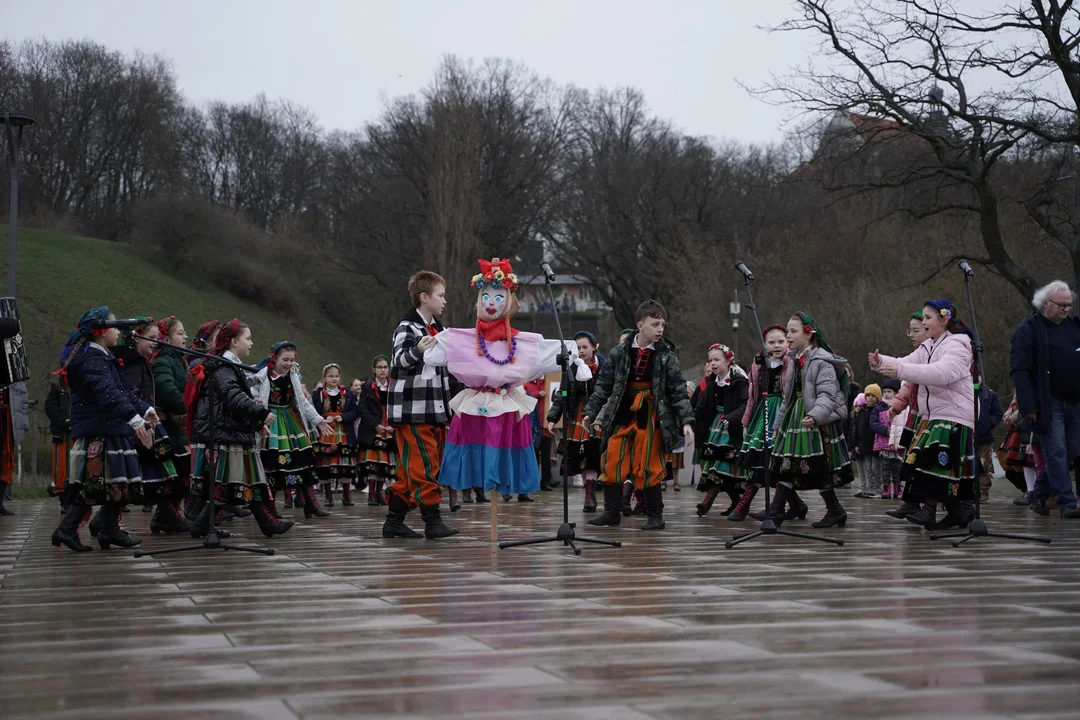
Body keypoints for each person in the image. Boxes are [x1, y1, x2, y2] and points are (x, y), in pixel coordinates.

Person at [424, 258, 587, 520]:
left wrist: (576, 358)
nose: (490, 302)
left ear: (509, 300)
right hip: (476, 405)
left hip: (506, 404)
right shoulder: (466, 338)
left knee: (504, 449)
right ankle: (474, 492)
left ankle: (505, 491)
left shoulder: (521, 342)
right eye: (486, 296)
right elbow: (441, 348)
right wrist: (429, 348)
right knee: (476, 449)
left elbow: (547, 348)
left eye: (498, 297)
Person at [51, 307, 158, 551]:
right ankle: (71, 529)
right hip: (99, 429)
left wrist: (145, 410)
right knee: (95, 485)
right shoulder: (92, 358)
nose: (118, 331)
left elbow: (121, 391)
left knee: (114, 484)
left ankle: (104, 529)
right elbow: (107, 394)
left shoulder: (101, 356)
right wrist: (135, 420)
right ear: (100, 331)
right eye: (113, 326)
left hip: (109, 428)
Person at [582, 299, 695, 530]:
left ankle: (655, 516)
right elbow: (603, 385)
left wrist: (686, 421)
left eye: (662, 324)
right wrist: (590, 413)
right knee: (613, 458)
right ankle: (612, 513)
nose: (660, 329)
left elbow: (677, 389)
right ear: (640, 325)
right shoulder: (620, 352)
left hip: (652, 413)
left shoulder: (666, 354)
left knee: (649, 464)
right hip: (623, 411)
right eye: (655, 324)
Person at [871, 299, 976, 529]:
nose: (924, 321)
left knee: (934, 464)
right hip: (935, 415)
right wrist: (881, 362)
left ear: (944, 319)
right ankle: (955, 511)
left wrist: (900, 370)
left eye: (928, 317)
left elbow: (942, 373)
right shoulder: (929, 346)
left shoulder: (957, 345)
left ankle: (933, 511)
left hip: (953, 414)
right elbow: (905, 363)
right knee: (928, 464)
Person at [187, 319, 293, 538]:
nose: (251, 343)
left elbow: (232, 404)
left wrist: (257, 424)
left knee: (235, 481)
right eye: (248, 338)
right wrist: (261, 413)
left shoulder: (226, 365)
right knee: (240, 480)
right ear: (234, 342)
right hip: (225, 433)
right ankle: (267, 524)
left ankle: (202, 524)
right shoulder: (224, 367)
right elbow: (234, 399)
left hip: (230, 430)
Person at [383, 270, 460, 539]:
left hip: (434, 409)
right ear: (424, 297)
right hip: (412, 411)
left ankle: (393, 522)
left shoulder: (437, 328)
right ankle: (432, 521)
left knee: (410, 469)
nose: (444, 301)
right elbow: (399, 362)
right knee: (424, 464)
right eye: (440, 295)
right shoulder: (407, 327)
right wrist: (419, 350)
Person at [768, 312, 854, 528]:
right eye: (788, 331)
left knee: (817, 466)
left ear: (809, 334)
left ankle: (780, 510)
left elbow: (828, 394)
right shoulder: (795, 360)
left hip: (814, 418)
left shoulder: (821, 361)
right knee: (790, 463)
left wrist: (816, 415)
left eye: (793, 331)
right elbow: (787, 398)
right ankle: (780, 509)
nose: (788, 336)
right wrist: (778, 425)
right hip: (795, 418)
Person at [1009, 280, 1080, 518]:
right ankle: (1066, 502)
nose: (1066, 310)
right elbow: (1020, 371)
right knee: (1056, 451)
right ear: (1046, 303)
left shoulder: (1074, 326)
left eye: (1069, 305)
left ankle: (1038, 492)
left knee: (1072, 449)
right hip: (1048, 401)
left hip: (1075, 400)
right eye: (1062, 306)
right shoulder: (1029, 329)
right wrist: (1029, 407)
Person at [251, 341, 332, 520]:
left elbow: (302, 402)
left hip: (290, 421)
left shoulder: (293, 376)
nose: (288, 364)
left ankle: (310, 503)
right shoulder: (262, 377)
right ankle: (270, 506)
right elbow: (255, 399)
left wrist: (318, 421)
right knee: (273, 465)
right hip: (271, 421)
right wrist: (260, 417)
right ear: (274, 358)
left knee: (303, 461)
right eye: (284, 360)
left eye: (291, 360)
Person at [733, 324, 800, 522]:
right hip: (762, 414)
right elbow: (752, 397)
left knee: (775, 461)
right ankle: (796, 505)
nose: (777, 346)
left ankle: (745, 506)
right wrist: (746, 423)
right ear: (765, 345)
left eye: (781, 341)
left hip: (783, 411)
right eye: (771, 342)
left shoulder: (791, 362)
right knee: (762, 460)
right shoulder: (758, 364)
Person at [547, 330, 605, 513]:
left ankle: (590, 493)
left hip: (598, 414)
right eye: (578, 347)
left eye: (585, 347)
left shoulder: (604, 365)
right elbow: (564, 393)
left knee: (594, 455)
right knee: (579, 456)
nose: (581, 351)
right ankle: (589, 492)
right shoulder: (571, 367)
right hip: (577, 414)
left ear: (594, 347)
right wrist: (552, 417)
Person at [884, 312, 931, 519]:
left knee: (925, 461)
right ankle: (911, 502)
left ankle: (932, 505)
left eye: (916, 330)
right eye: (909, 330)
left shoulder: (937, 354)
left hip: (929, 415)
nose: (911, 335)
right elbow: (909, 386)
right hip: (916, 415)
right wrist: (896, 405)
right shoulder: (917, 356)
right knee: (911, 460)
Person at [693, 344, 748, 517]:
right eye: (711, 360)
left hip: (731, 427)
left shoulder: (739, 380)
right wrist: (687, 419)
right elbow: (701, 406)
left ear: (728, 360)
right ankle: (737, 503)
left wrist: (731, 418)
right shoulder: (711, 381)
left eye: (717, 360)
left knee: (722, 465)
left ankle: (707, 503)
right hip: (715, 427)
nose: (713, 364)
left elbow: (744, 405)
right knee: (718, 466)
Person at [152, 316, 195, 529]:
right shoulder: (162, 360)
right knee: (173, 474)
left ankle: (167, 515)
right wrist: (189, 407)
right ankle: (168, 515)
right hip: (169, 426)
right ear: (166, 338)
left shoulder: (179, 359)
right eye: (180, 333)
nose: (186, 336)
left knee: (182, 473)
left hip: (179, 427)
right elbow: (167, 390)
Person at [311, 363, 359, 507]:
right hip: (326, 431)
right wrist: (323, 418)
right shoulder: (318, 394)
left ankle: (346, 495)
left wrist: (343, 417)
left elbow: (355, 411)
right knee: (326, 462)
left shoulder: (347, 393)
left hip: (343, 432)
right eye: (330, 376)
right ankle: (328, 495)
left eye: (336, 376)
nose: (334, 379)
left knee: (345, 463)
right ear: (324, 377)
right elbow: (313, 412)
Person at [357, 356, 397, 507]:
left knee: (386, 463)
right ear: (374, 369)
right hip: (374, 427)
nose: (383, 370)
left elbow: (398, 406)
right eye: (379, 367)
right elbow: (363, 409)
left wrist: (393, 424)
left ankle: (380, 492)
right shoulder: (367, 387)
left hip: (389, 425)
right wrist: (376, 425)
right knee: (375, 461)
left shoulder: (393, 385)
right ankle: (372, 493)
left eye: (385, 367)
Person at [973, 373, 1002, 503]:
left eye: (977, 376)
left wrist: (989, 423)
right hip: (968, 436)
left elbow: (997, 413)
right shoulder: (964, 394)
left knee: (984, 466)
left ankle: (983, 492)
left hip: (985, 437)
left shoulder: (990, 395)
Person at [871, 379, 903, 499]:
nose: (886, 394)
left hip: (897, 444)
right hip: (884, 444)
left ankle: (897, 488)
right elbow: (873, 423)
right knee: (885, 467)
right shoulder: (878, 408)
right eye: (884, 391)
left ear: (896, 393)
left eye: (889, 391)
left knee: (897, 467)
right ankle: (885, 488)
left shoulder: (900, 407)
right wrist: (885, 430)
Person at [45, 376, 72, 513]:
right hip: (62, 434)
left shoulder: (84, 384)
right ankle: (64, 500)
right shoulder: (57, 386)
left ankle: (76, 499)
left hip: (80, 432)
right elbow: (50, 408)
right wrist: (65, 422)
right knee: (61, 468)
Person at [857, 384, 883, 499]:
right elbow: (857, 428)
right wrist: (856, 443)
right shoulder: (862, 411)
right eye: (868, 395)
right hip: (865, 443)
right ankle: (870, 487)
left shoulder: (879, 410)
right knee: (868, 467)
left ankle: (878, 488)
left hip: (876, 442)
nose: (871, 398)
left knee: (876, 467)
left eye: (873, 395)